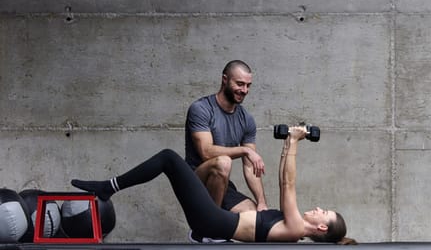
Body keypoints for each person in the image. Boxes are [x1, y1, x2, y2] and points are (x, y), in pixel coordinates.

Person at [71, 126, 356, 244]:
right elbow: (285, 180)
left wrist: (294, 142)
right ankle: (110, 186)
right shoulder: (292, 227)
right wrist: (287, 142)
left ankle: (109, 186)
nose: (319, 208)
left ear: (321, 228)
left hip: (212, 222)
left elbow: (287, 184)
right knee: (173, 161)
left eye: (325, 212)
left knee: (169, 159)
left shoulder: (295, 229)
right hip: (218, 219)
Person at [184, 60, 267, 218]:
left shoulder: (246, 119)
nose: (244, 90)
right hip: (195, 180)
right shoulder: (201, 109)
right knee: (223, 162)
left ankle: (211, 230)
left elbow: (250, 167)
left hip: (222, 183)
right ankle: (209, 230)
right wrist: (244, 150)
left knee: (254, 216)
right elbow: (206, 152)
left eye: (248, 85)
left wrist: (261, 202)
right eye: (240, 84)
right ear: (225, 79)